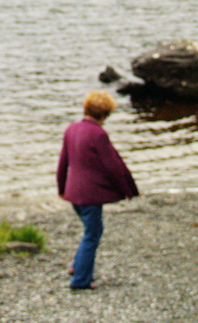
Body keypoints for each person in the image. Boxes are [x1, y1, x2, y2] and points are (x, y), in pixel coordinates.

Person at [57, 90, 138, 290]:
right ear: (104, 114)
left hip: (73, 193)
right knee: (93, 234)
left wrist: (61, 188)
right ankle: (80, 281)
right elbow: (113, 166)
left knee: (90, 230)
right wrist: (127, 189)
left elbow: (62, 163)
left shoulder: (71, 129)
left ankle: (77, 267)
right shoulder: (98, 134)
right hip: (89, 196)